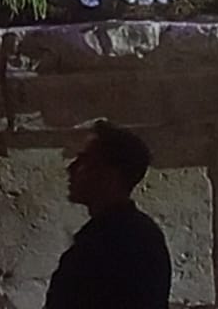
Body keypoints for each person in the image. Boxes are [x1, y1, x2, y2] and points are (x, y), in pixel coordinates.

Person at [44, 120, 172, 309]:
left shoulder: (112, 242)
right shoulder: (138, 234)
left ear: (109, 175)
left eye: (84, 161)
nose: (71, 168)